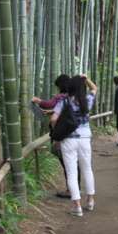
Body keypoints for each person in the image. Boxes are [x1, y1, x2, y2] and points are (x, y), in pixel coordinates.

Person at [51, 75, 97, 217]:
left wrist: (58, 133)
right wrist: (87, 78)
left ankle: (77, 207)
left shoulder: (64, 102)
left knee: (71, 172)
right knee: (87, 169)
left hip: (68, 140)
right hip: (84, 138)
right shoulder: (86, 101)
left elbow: (53, 119)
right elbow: (94, 88)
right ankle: (90, 201)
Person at [32, 74, 78, 198]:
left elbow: (48, 104)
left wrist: (37, 100)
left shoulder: (61, 98)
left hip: (63, 135)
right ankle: (75, 188)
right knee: (73, 163)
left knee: (66, 163)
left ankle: (71, 191)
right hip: (77, 135)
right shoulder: (76, 97)